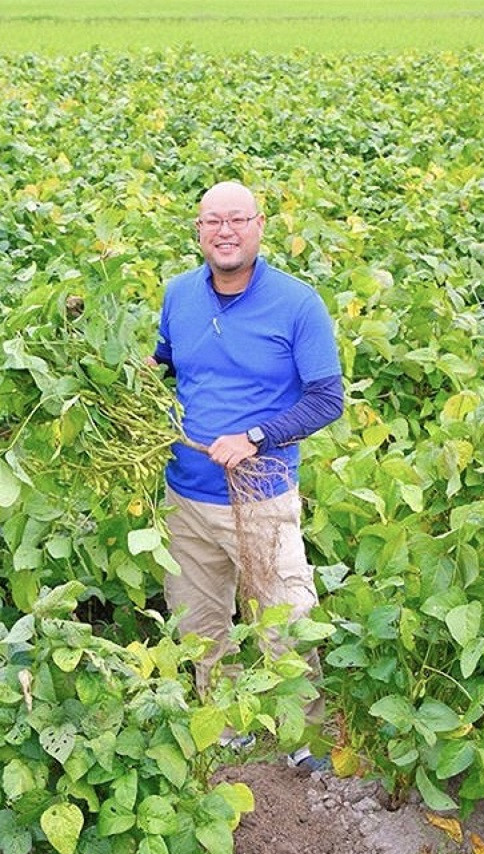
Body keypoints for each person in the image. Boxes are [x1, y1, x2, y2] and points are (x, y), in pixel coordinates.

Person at [152, 180, 344, 770]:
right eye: (213, 221)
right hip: (185, 494)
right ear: (199, 231)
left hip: (261, 493)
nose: (225, 231)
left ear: (260, 226)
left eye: (237, 219)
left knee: (285, 620)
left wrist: (255, 437)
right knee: (199, 621)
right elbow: (166, 363)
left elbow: (327, 399)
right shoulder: (178, 295)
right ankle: (227, 727)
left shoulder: (297, 304)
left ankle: (304, 740)